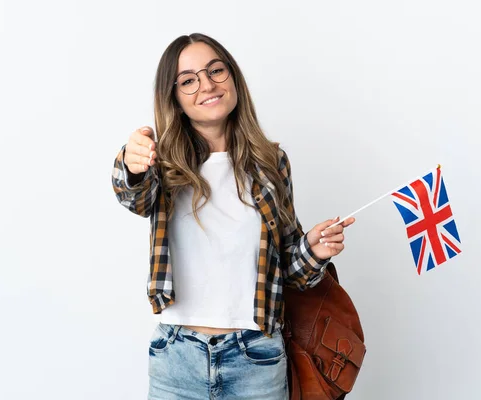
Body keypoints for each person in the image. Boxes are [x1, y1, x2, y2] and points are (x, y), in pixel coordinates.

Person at [111, 33, 355, 400]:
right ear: (174, 97)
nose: (207, 84)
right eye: (189, 80)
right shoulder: (160, 160)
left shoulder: (272, 164)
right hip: (176, 358)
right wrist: (130, 163)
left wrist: (314, 251)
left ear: (233, 78)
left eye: (216, 71)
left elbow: (287, 268)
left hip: (256, 359)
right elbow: (134, 196)